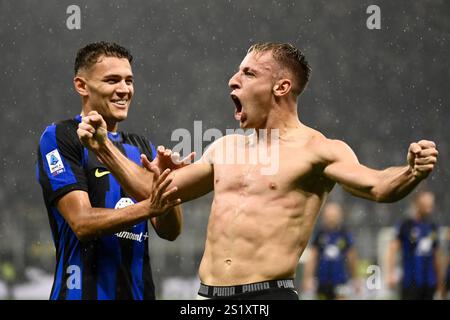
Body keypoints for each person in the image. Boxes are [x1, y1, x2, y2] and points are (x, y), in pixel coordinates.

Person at [77, 42, 438, 300]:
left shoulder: (319, 150)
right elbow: (157, 194)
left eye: (248, 73)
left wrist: (411, 171)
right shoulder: (224, 147)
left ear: (281, 86)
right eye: (237, 71)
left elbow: (377, 186)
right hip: (205, 299)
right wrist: (105, 148)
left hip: (268, 297)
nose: (233, 80)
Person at [36, 42, 184, 300]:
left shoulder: (141, 147)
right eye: (112, 80)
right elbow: (81, 222)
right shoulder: (61, 136)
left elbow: (170, 231)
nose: (124, 90)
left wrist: (169, 188)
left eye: (129, 80)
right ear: (82, 86)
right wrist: (151, 206)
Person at [386, 191, 445, 299]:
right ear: (418, 204)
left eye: (431, 204)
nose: (430, 207)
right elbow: (393, 249)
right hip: (410, 282)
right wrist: (391, 273)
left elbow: (437, 255)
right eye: (426, 204)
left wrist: (440, 282)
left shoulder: (433, 227)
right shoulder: (406, 224)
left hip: (429, 282)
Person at [302, 202, 360, 300]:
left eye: (334, 216)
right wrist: (308, 278)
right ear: (324, 217)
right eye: (329, 216)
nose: (331, 219)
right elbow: (313, 257)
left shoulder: (345, 234)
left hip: (340, 280)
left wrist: (356, 278)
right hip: (322, 280)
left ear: (340, 216)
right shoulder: (320, 234)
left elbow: (352, 258)